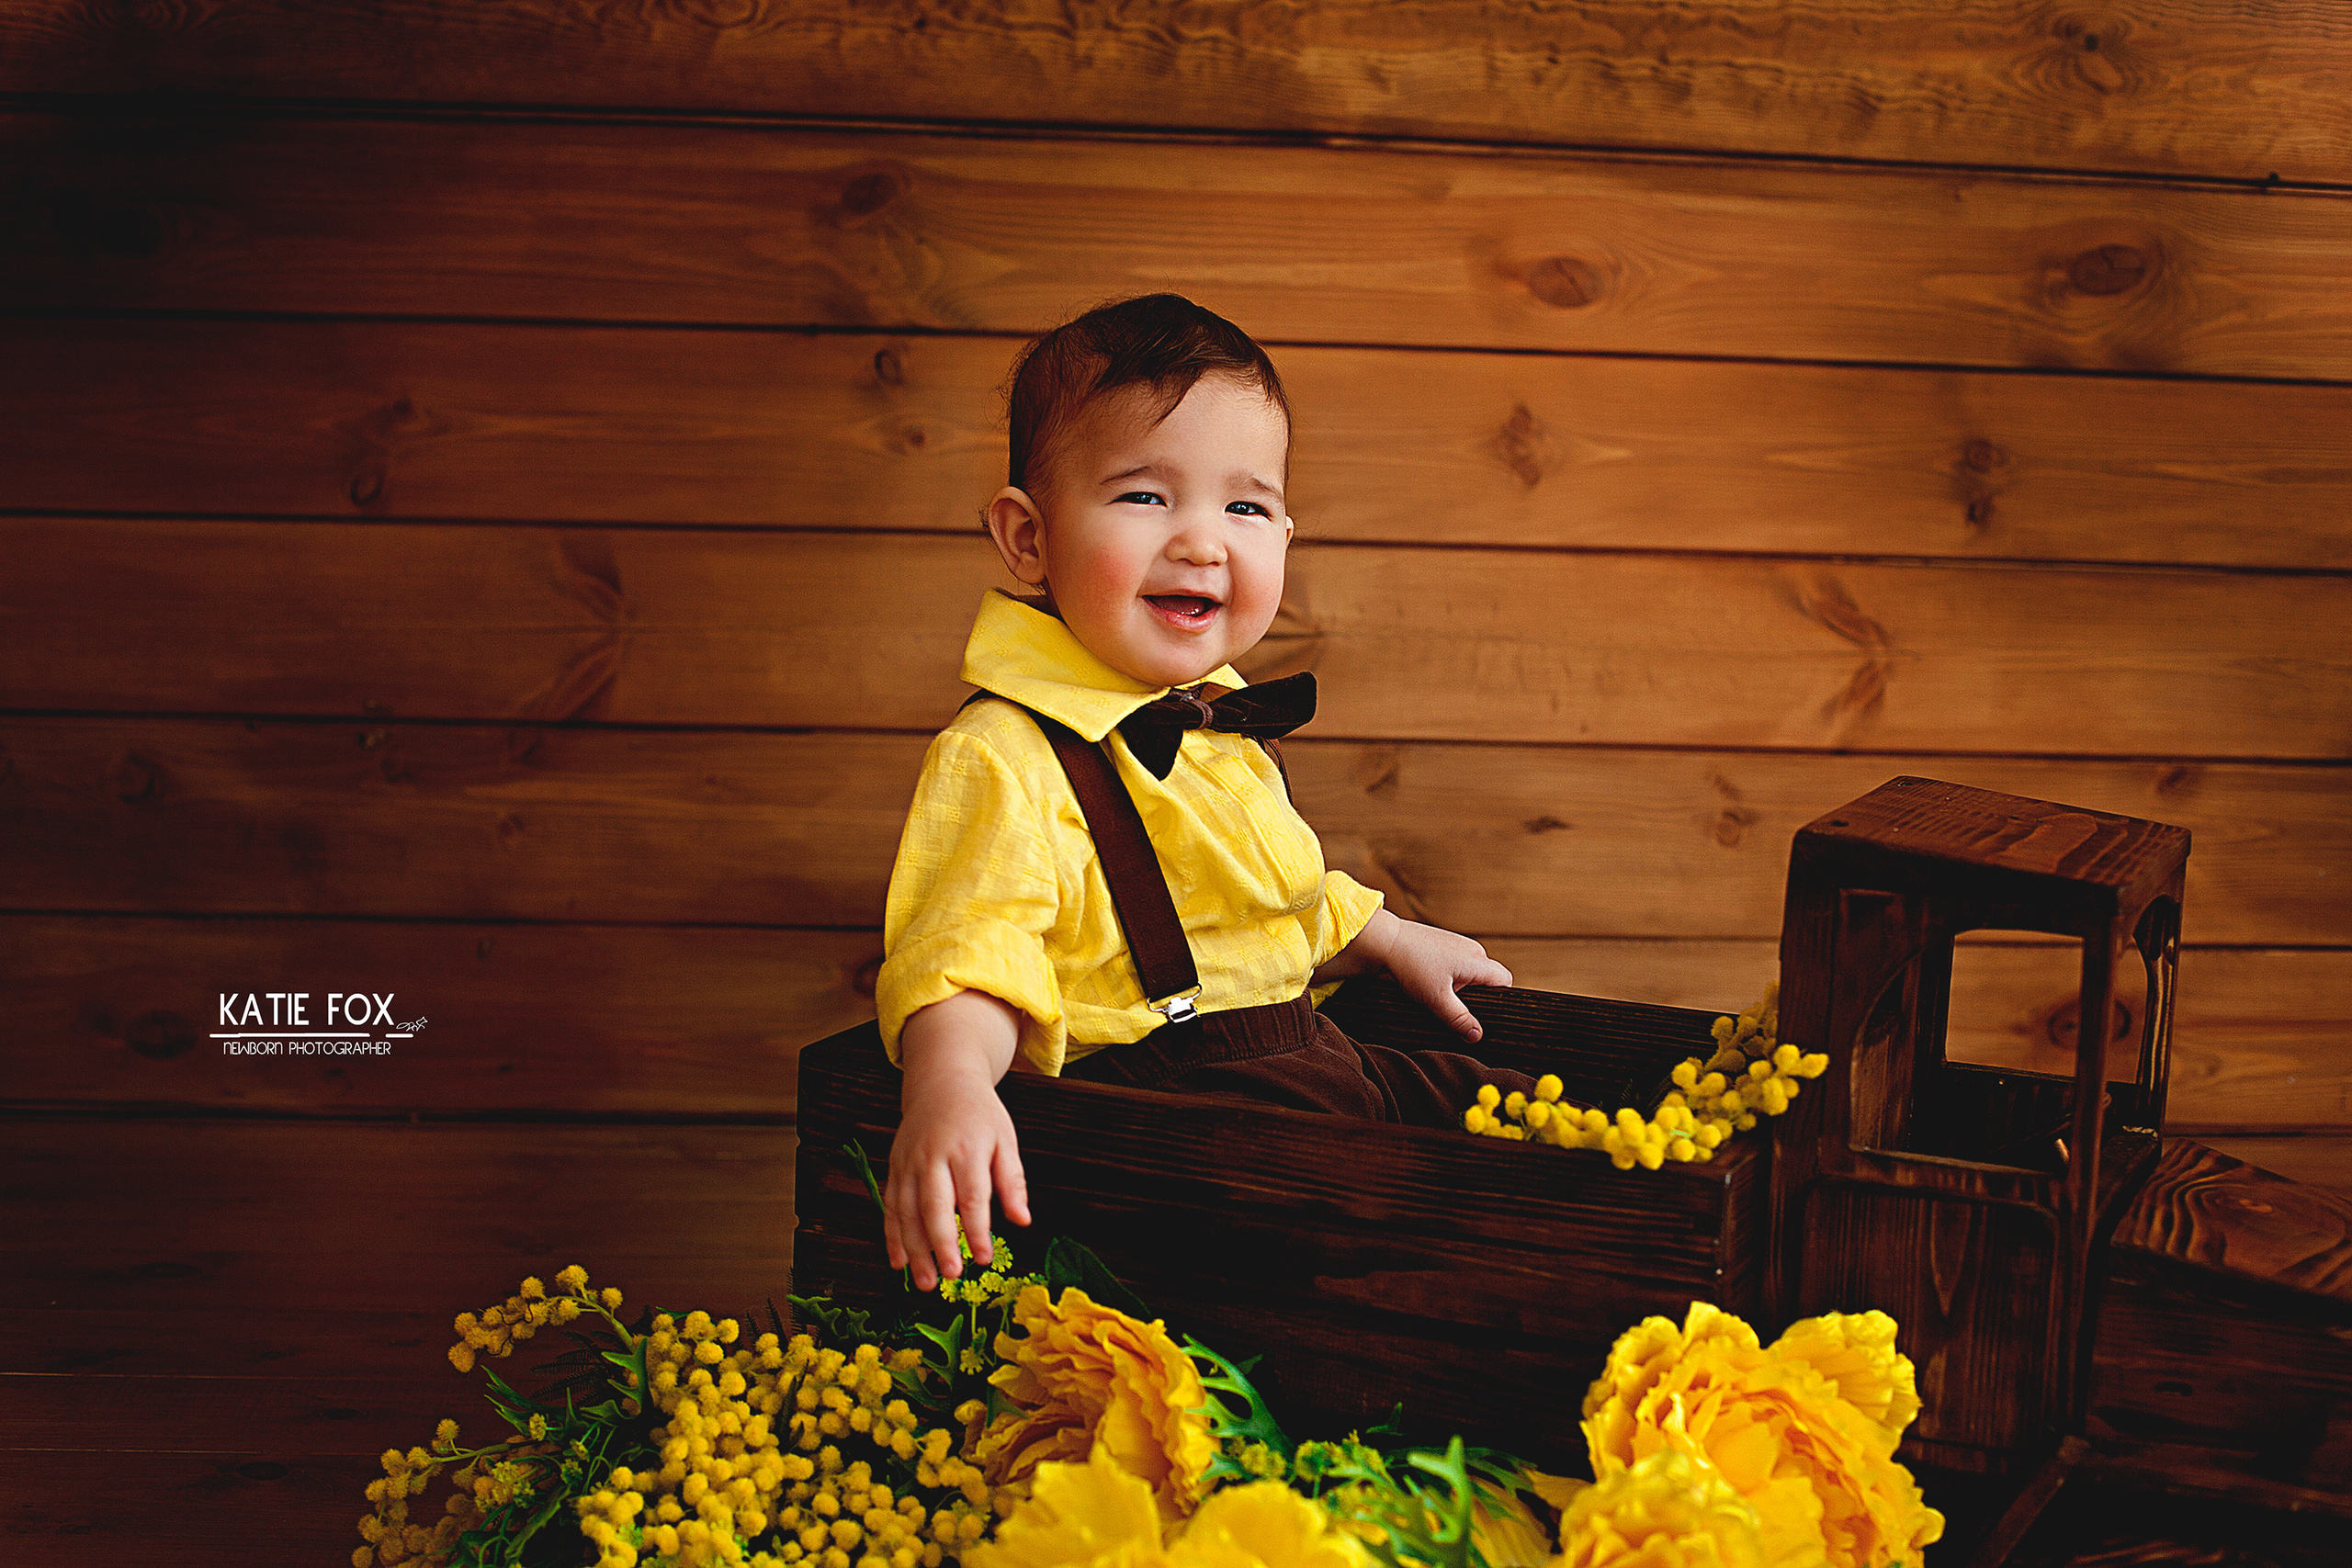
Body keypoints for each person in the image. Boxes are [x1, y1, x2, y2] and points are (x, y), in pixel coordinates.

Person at [875, 293, 1536, 1291]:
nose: (1202, 541)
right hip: (1183, 1114)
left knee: (1525, 1117)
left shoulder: (1216, 723)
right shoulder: (1006, 755)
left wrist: (1390, 940)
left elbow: (1253, 902)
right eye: (1144, 497)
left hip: (1309, 1051)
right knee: (1416, 1217)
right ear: (1028, 540)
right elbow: (972, 953)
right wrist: (951, 1086)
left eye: (1246, 506)